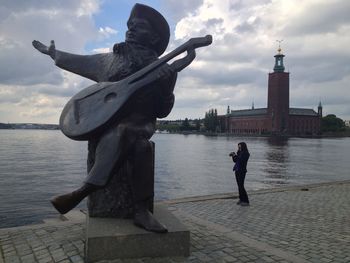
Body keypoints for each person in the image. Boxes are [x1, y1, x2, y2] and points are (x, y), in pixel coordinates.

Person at [32, 3, 177, 233]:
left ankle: (85, 193)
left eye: (138, 27)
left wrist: (167, 88)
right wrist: (54, 54)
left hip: (142, 123)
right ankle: (140, 210)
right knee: (137, 145)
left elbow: (162, 111)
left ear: (154, 38)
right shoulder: (110, 60)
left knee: (132, 136)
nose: (130, 30)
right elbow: (79, 61)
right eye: (129, 26)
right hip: (107, 122)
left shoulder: (165, 69)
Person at [230, 142, 250, 206]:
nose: (239, 148)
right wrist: (233, 156)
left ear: (243, 146)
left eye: (240, 146)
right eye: (238, 147)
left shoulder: (246, 153)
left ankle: (246, 201)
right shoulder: (240, 152)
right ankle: (241, 199)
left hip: (242, 171)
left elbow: (241, 160)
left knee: (241, 186)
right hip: (237, 170)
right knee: (239, 186)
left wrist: (235, 155)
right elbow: (235, 161)